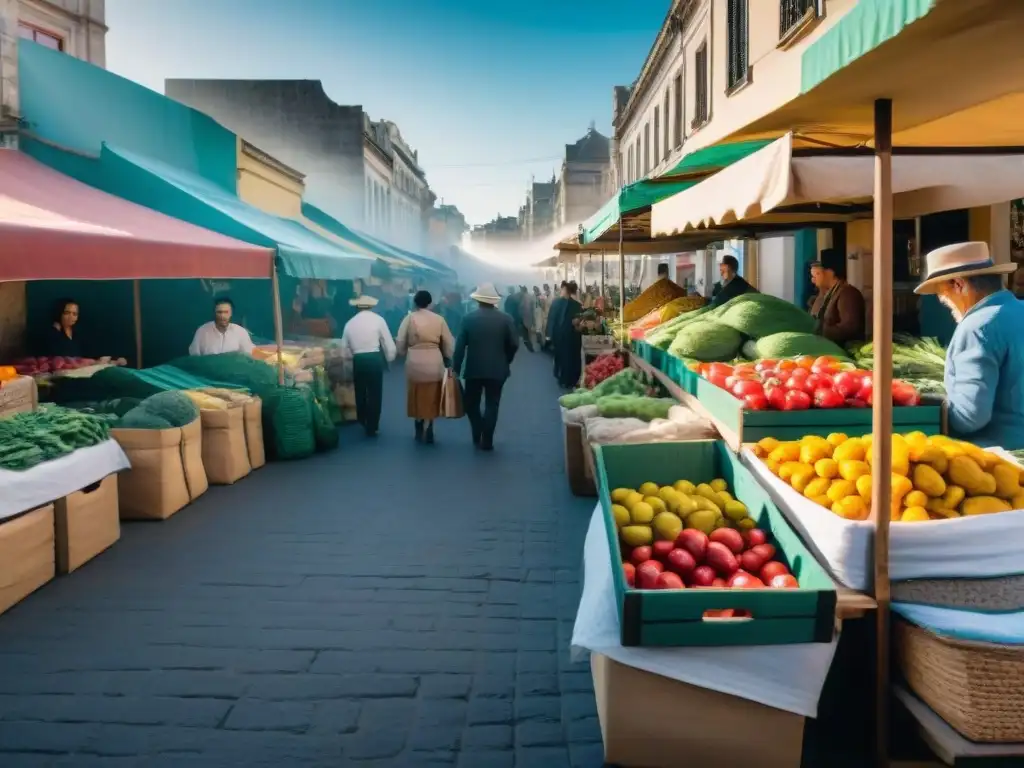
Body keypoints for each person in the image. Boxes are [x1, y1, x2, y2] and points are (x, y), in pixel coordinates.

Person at [914, 241, 1024, 449]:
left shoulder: (977, 327)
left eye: (941, 292)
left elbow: (971, 416)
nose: (942, 300)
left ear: (958, 284)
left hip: (1003, 463)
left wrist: (929, 406)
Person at [452, 283, 519, 451]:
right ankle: (487, 439)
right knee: (492, 404)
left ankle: (477, 429)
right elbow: (514, 344)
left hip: (473, 369)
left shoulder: (468, 319)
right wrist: (507, 359)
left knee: (471, 404)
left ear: (478, 301)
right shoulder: (506, 319)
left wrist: (456, 368)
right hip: (497, 369)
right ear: (494, 301)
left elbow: (460, 346)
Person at [396, 290, 455, 445]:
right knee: (432, 395)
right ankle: (429, 425)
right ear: (430, 303)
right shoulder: (439, 320)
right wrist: (448, 357)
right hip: (434, 361)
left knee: (416, 393)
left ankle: (418, 422)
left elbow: (400, 340)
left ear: (415, 302)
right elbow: (449, 344)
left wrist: (402, 353)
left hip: (414, 361)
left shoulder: (409, 319)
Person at [340, 294, 397, 437]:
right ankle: (373, 425)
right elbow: (388, 343)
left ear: (357, 306)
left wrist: (349, 360)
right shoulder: (379, 321)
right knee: (375, 393)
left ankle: (362, 418)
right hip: (374, 359)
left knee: (360, 391)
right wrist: (390, 357)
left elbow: (343, 349)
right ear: (372, 306)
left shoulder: (350, 323)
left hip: (358, 360)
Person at [809, 248, 866, 343]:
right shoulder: (824, 293)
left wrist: (817, 330)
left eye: (817, 274)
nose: (813, 280)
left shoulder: (848, 294)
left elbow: (849, 329)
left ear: (830, 273)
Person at [189, 297, 255, 356]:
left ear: (231, 313)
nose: (222, 316)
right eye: (219, 312)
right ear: (214, 313)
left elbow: (249, 355)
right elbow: (194, 358)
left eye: (226, 312)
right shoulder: (202, 331)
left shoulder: (240, 332)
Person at [554, 281, 584, 389]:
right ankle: (572, 380)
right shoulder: (577, 304)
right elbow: (577, 322)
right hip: (573, 336)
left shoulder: (562, 302)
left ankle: (564, 379)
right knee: (574, 358)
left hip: (563, 335)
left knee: (565, 357)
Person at [546, 281, 569, 377]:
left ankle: (557, 371)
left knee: (558, 353)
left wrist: (549, 334)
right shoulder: (570, 303)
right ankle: (561, 372)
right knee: (564, 354)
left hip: (557, 333)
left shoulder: (556, 302)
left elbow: (551, 318)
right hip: (565, 333)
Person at [517, 286, 535, 352]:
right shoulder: (528, 296)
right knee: (528, 333)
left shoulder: (526, 297)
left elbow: (526, 308)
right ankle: (530, 346)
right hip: (527, 317)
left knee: (529, 333)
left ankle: (531, 347)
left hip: (527, 317)